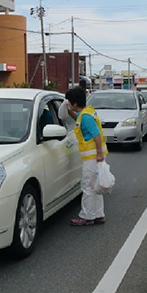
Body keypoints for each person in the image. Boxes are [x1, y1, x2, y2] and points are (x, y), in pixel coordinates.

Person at [61, 87, 108, 226]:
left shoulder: (86, 117)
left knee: (87, 186)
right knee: (96, 186)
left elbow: (96, 135)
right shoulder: (87, 113)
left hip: (92, 157)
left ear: (75, 103)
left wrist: (99, 153)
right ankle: (98, 214)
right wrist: (68, 110)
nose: (68, 104)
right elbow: (78, 119)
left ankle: (87, 216)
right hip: (95, 156)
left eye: (69, 102)